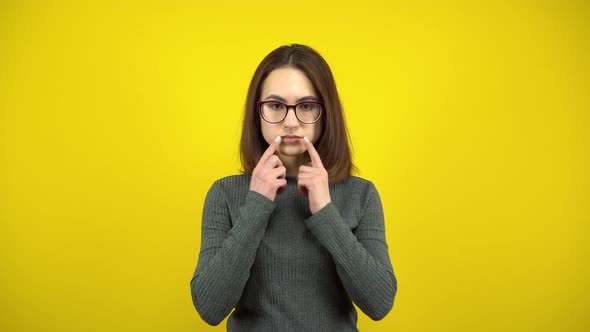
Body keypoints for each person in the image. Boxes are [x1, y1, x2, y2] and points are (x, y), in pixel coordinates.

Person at [190, 44, 397, 331]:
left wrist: (325, 211)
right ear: (256, 112)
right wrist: (257, 205)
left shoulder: (361, 194)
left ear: (326, 113)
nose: (290, 122)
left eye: (307, 106)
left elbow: (379, 303)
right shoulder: (224, 194)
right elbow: (210, 308)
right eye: (275, 106)